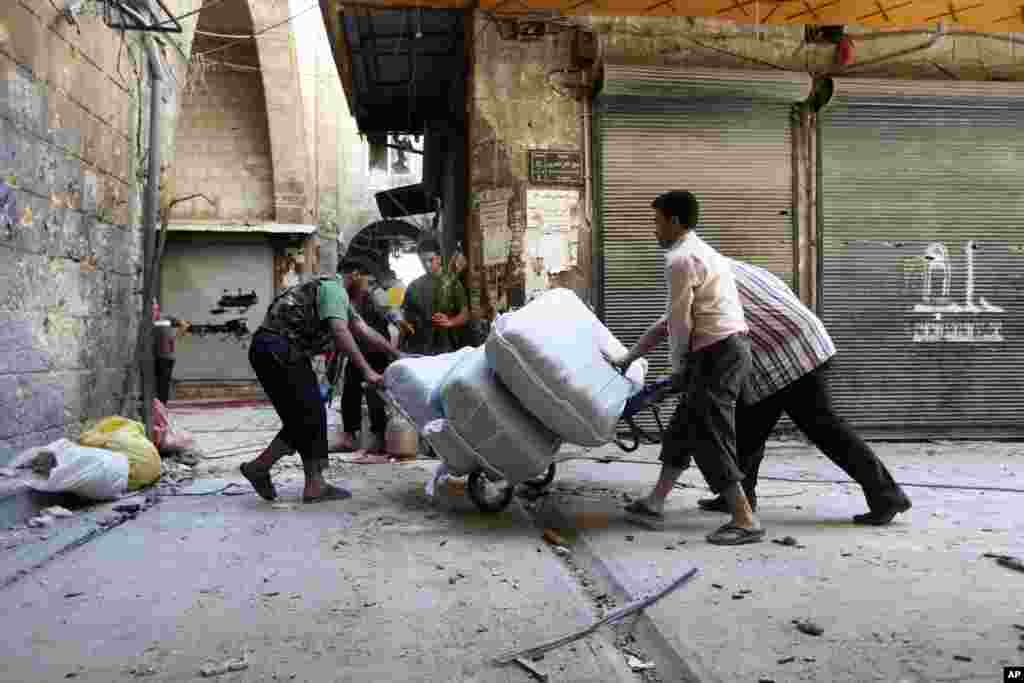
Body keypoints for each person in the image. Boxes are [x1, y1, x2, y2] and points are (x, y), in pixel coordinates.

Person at [694, 259, 912, 526]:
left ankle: (888, 496)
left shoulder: (697, 276)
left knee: (826, 430)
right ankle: (739, 496)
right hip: (796, 341)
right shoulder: (729, 266)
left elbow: (690, 327)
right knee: (748, 425)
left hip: (791, 352)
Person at [606, 190, 762, 545]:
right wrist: (629, 358)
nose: (654, 229)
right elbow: (669, 320)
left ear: (674, 221)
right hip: (728, 348)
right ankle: (654, 503)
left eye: (656, 221)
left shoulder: (680, 259)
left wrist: (677, 368)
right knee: (683, 427)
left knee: (709, 433)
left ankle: (744, 519)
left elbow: (679, 324)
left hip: (717, 353)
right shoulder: (703, 252)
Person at [239, 262, 401, 504]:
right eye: (369, 282)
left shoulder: (339, 298)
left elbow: (363, 330)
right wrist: (367, 372)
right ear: (355, 275)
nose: (369, 289)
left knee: (302, 417)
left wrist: (396, 355)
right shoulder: (333, 289)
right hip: (279, 347)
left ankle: (261, 469)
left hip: (274, 349)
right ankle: (313, 484)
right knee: (310, 413)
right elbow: (340, 332)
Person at [336, 257, 398, 464]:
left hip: (376, 351)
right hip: (357, 351)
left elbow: (391, 314)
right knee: (350, 390)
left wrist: (394, 347)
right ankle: (349, 436)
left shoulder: (377, 295)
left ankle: (379, 439)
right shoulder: (347, 296)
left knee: (375, 394)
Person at [400, 237, 468, 355]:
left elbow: (465, 314)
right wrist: (405, 325)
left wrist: (450, 322)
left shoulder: (452, 283)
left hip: (447, 350)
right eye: (423, 261)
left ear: (439, 259)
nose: (426, 265)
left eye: (430, 260)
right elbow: (406, 318)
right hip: (421, 350)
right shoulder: (413, 287)